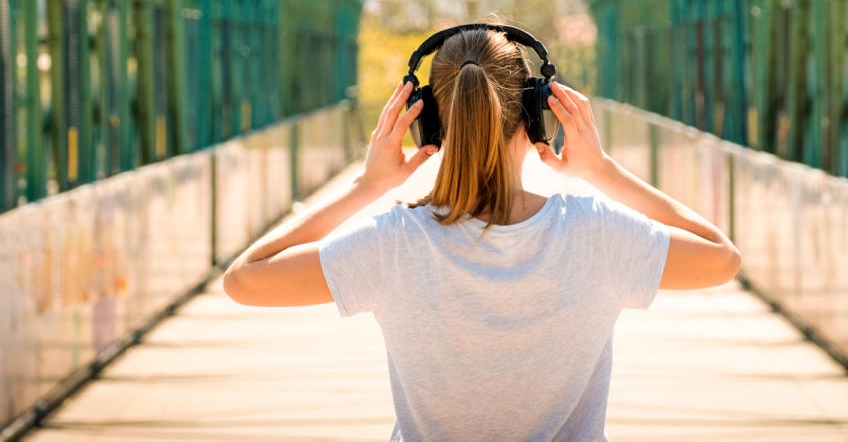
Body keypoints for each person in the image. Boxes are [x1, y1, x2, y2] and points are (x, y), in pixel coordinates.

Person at [222, 27, 741, 441]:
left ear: (430, 124)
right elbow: (721, 258)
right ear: (536, 117)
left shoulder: (393, 242)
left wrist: (365, 186)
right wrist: (601, 170)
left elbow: (244, 280)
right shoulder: (596, 233)